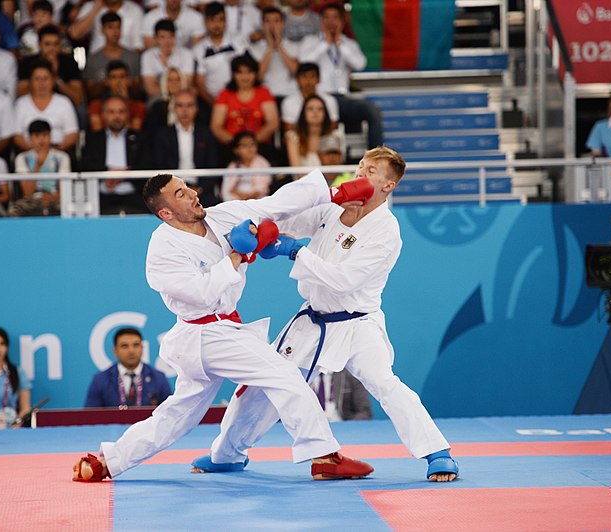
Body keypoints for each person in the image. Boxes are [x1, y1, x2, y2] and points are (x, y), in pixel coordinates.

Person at [72, 167, 377, 483]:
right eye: (180, 194)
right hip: (203, 333)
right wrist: (237, 256)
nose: (192, 193)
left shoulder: (220, 217)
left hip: (224, 329)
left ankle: (109, 461)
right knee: (283, 374)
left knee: (179, 417)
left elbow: (273, 205)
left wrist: (330, 194)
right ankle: (324, 456)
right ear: (165, 212)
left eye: (187, 187)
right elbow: (200, 293)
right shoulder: (162, 250)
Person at [193, 146, 460, 483]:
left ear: (388, 185)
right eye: (361, 165)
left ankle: (437, 452)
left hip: (357, 323)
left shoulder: (386, 231)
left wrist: (294, 252)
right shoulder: (335, 207)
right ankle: (227, 454)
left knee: (384, 383)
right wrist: (261, 231)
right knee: (262, 384)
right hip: (313, 319)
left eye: (371, 170)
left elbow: (345, 280)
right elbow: (289, 219)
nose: (362, 172)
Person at [298, 3, 382, 149]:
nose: (331, 21)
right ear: (321, 21)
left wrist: (339, 44)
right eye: (327, 17)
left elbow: (360, 64)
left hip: (343, 99)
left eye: (335, 17)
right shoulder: (311, 41)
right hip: (319, 97)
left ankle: (376, 156)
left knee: (372, 110)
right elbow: (304, 62)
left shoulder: (348, 43)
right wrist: (325, 44)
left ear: (342, 21)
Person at [151, 89, 218, 206]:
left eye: (189, 105)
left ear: (196, 108)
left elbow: (213, 165)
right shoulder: (162, 135)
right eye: (180, 105)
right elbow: (160, 166)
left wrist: (200, 189)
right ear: (173, 109)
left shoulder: (206, 134)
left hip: (201, 191)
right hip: (172, 191)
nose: (185, 110)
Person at [210, 53, 279, 166]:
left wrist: (251, 145)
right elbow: (216, 126)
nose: (245, 77)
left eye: (249, 72)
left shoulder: (263, 92)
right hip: (232, 148)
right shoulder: (225, 94)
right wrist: (239, 146)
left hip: (260, 146)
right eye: (240, 72)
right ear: (233, 74)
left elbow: (272, 123)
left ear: (255, 74)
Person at [81, 95, 145, 215]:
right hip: (101, 196)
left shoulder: (139, 138)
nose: (117, 116)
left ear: (127, 114)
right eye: (111, 112)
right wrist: (107, 172)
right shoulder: (94, 138)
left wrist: (123, 174)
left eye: (121, 112)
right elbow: (85, 165)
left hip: (133, 195)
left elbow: (148, 165)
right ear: (103, 114)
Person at [84, 327, 173, 408]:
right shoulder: (100, 380)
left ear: (142, 348)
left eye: (136, 345)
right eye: (124, 346)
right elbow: (90, 417)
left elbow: (169, 414)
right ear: (115, 351)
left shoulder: (159, 378)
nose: (131, 351)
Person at [13, 61, 79, 154]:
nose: (41, 83)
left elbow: (72, 134)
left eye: (45, 78)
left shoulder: (64, 102)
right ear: (30, 81)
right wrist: (33, 152)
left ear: (53, 80)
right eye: (37, 79)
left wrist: (54, 153)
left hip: (59, 152)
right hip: (28, 153)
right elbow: (17, 135)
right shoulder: (21, 103)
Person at [193, 2, 248, 106]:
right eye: (212, 20)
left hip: (238, 98)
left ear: (226, 21)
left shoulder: (239, 43)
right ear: (205, 22)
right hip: (210, 101)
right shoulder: (198, 50)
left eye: (220, 20)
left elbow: (247, 73)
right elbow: (200, 84)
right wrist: (216, 105)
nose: (217, 25)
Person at [10, 119, 69, 216]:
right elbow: (27, 192)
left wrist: (53, 197)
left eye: (45, 135)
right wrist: (37, 165)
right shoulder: (23, 158)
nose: (41, 139)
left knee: (69, 208)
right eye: (37, 136)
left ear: (50, 136)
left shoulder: (62, 157)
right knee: (14, 211)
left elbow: (64, 189)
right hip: (32, 199)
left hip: (55, 198)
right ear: (30, 138)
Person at [17, 25, 85, 110]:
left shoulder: (69, 62)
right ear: (39, 45)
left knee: (81, 110)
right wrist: (39, 83)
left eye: (56, 44)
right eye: (47, 44)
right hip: (33, 105)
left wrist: (57, 81)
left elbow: (78, 99)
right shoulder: (27, 63)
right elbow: (21, 94)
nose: (52, 49)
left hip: (63, 106)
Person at [83, 12, 141, 100]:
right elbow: (90, 92)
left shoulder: (133, 57)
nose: (115, 32)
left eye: (118, 27)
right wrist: (106, 83)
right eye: (110, 27)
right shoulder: (93, 59)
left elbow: (139, 91)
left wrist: (128, 83)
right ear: (102, 30)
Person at [248, 6, 299, 103]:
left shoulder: (294, 46)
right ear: (262, 25)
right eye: (268, 21)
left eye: (276, 21)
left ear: (283, 24)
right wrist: (270, 47)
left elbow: (296, 72)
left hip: (290, 96)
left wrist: (279, 46)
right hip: (265, 97)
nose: (272, 25)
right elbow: (258, 76)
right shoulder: (254, 49)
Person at [140, 19, 194, 100]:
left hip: (181, 98)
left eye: (170, 36)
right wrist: (170, 91)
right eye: (162, 37)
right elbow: (150, 88)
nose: (167, 41)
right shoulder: (147, 56)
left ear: (175, 37)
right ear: (156, 38)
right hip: (158, 98)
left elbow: (186, 84)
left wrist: (166, 65)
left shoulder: (186, 54)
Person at [87, 60, 146, 132]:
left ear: (129, 81)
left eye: (122, 77)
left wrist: (125, 102)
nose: (118, 81)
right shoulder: (96, 105)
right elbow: (98, 132)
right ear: (106, 82)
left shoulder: (139, 106)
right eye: (113, 77)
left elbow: (134, 132)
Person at [280, 62, 338, 132]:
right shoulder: (288, 102)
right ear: (297, 80)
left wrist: (316, 139)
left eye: (312, 76)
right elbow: (289, 130)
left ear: (319, 79)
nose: (308, 81)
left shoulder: (330, 100)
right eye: (304, 76)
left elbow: (333, 127)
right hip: (299, 141)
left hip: (324, 140)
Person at [69, 0, 144, 54]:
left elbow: (138, 45)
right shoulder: (90, 6)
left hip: (126, 64)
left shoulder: (134, 10)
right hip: (97, 60)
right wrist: (97, 7)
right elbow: (75, 34)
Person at [221, 130, 271, 202]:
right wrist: (242, 197)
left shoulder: (263, 163)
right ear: (236, 150)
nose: (250, 148)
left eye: (252, 144)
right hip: (237, 202)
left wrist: (249, 198)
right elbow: (227, 190)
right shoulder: (233, 166)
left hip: (257, 202)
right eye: (245, 145)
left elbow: (262, 189)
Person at [284, 94, 332, 168]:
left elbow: (334, 170)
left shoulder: (333, 136)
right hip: (302, 179)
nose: (315, 112)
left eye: (320, 109)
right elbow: (297, 170)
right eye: (310, 109)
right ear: (303, 113)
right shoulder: (292, 137)